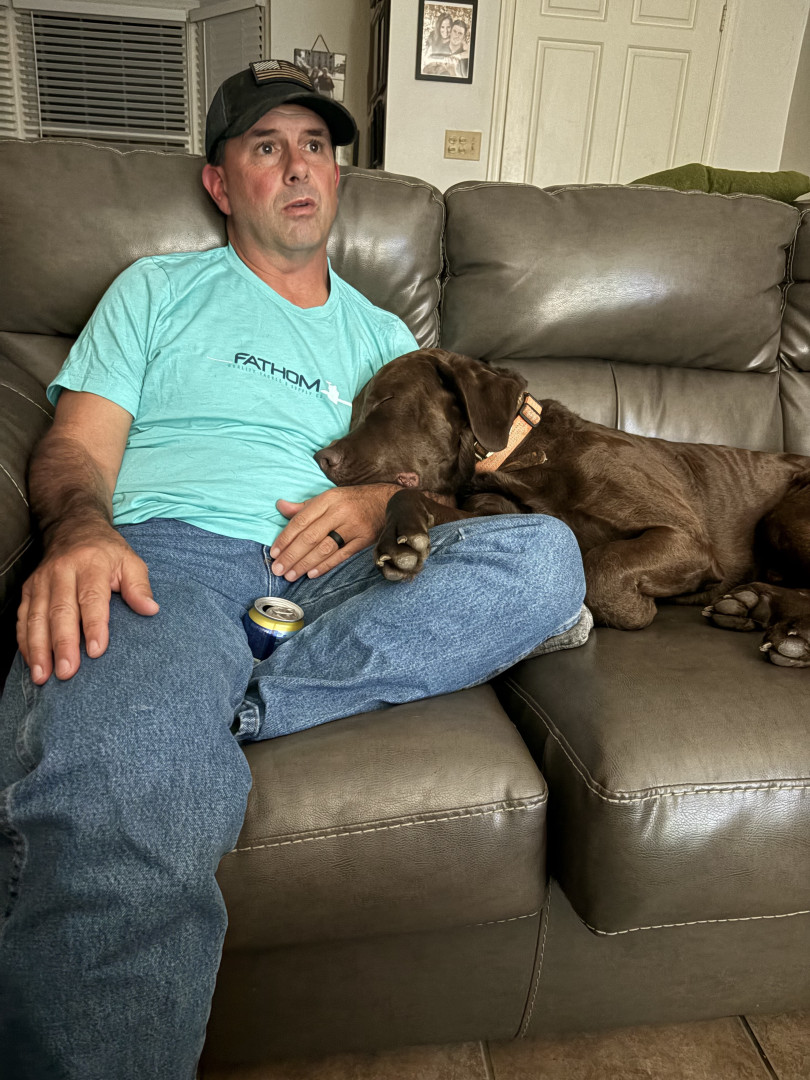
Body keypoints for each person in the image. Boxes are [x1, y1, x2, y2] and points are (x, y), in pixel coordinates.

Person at [0, 59, 585, 1079]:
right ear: (220, 183)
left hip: (350, 573)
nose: (299, 165)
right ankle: (175, 710)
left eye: (315, 145)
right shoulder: (156, 291)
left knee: (545, 556)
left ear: (338, 175)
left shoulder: (387, 336)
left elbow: (443, 489)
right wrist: (82, 531)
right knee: (122, 788)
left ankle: (222, 704)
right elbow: (76, 450)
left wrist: (379, 500)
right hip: (173, 559)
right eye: (266, 146)